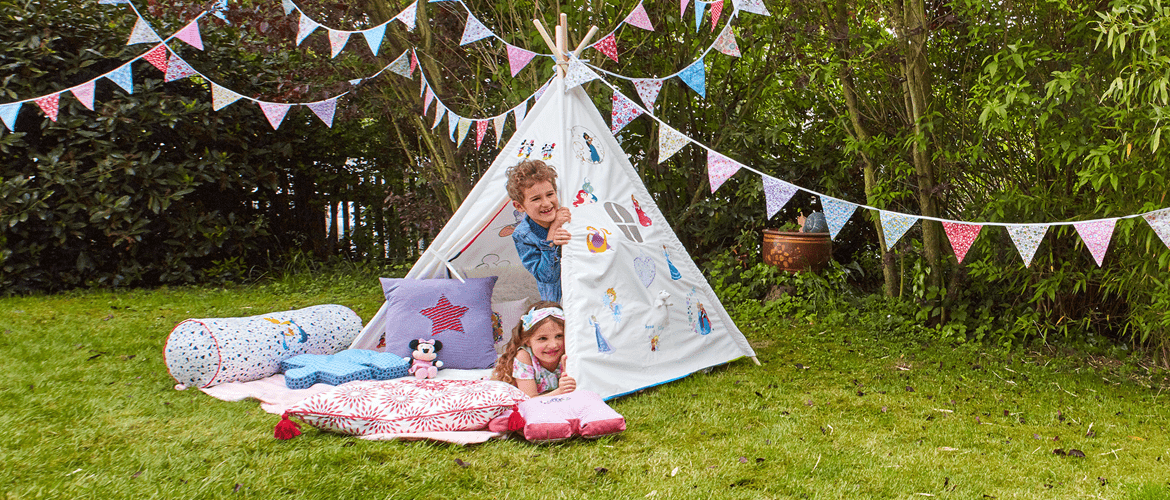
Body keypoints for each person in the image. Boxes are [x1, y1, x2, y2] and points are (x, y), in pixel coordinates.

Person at [506, 160, 571, 303]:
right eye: (536, 199)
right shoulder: (522, 235)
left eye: (550, 194)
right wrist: (553, 231)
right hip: (558, 303)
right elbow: (547, 276)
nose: (547, 203)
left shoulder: (568, 214)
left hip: (583, 291)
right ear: (519, 206)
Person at [491, 301, 577, 397]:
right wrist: (560, 391)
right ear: (527, 341)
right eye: (542, 338)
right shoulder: (524, 356)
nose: (553, 345)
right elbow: (530, 400)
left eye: (559, 336)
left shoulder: (569, 351)